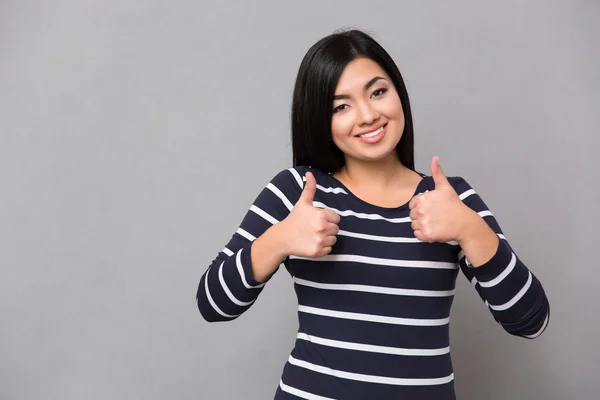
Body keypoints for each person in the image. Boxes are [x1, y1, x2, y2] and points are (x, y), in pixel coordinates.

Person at [196, 29, 550, 399]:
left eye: (377, 92)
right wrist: (279, 240)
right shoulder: (297, 192)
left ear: (398, 93)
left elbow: (531, 322)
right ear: (321, 120)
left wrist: (469, 229)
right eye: (341, 106)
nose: (368, 115)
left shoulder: (449, 198)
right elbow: (212, 303)